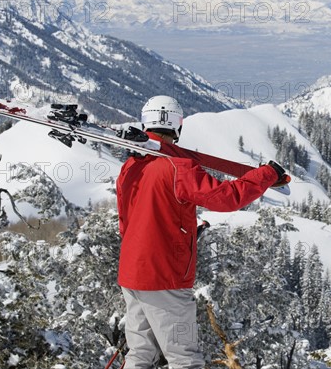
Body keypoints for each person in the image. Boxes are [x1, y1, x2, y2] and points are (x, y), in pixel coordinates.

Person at [116, 95, 285, 369]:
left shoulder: (131, 167)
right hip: (165, 277)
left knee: (140, 355)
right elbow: (225, 198)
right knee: (185, 359)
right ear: (177, 126)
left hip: (132, 273)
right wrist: (265, 175)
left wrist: (182, 234)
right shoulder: (178, 168)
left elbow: (129, 221)